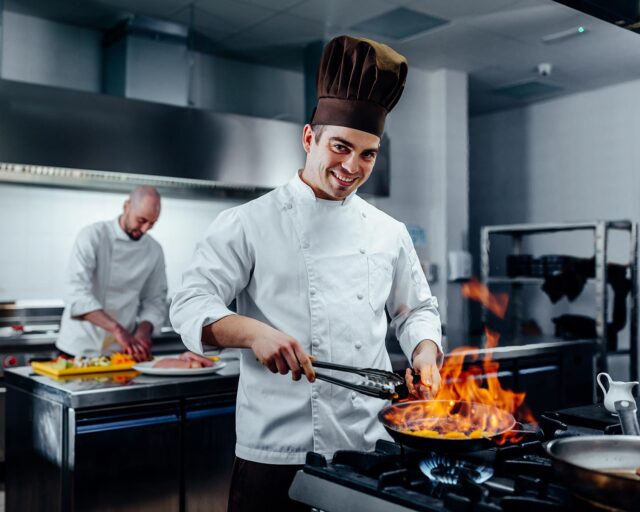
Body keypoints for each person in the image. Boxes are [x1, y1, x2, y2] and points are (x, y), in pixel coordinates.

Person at [170, 36, 444, 511]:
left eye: (368, 154)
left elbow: (416, 309)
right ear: (308, 138)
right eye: (340, 146)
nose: (352, 167)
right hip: (277, 452)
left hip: (370, 446)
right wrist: (254, 333)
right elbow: (190, 302)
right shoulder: (249, 222)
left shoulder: (388, 231)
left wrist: (424, 353)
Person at [56, 186, 167, 360]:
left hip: (121, 351)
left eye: (152, 223)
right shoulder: (93, 236)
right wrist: (117, 329)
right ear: (126, 207)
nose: (145, 229)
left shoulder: (154, 250)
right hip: (79, 346)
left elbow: (155, 300)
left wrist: (143, 331)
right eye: (141, 220)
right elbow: (75, 292)